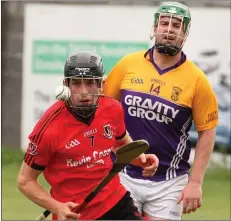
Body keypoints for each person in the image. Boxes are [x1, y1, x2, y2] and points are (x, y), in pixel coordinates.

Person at [104, 2, 219, 220]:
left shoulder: (197, 80)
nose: (168, 30)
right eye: (164, 23)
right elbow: (104, 111)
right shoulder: (128, 65)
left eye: (176, 25)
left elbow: (207, 131)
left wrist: (195, 182)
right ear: (154, 28)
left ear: (184, 33)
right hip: (125, 172)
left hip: (170, 180)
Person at [17, 51, 159, 220]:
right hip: (74, 214)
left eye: (90, 83)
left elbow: (119, 144)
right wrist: (57, 207)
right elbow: (25, 181)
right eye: (76, 83)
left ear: (101, 84)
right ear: (66, 85)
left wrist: (139, 157)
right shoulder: (49, 129)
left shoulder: (113, 109)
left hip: (115, 201)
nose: (84, 92)